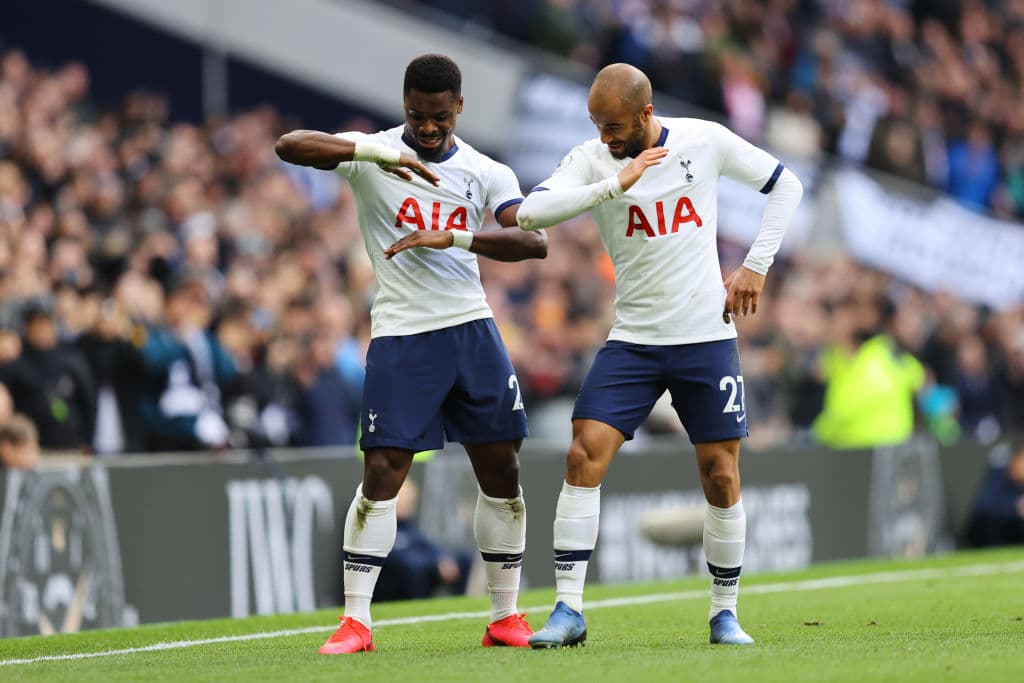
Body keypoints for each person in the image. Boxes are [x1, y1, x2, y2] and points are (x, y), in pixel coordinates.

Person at [516, 63, 803, 647]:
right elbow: (528, 214)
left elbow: (786, 185)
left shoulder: (705, 140)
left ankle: (725, 612)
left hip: (705, 337)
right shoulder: (592, 160)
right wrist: (613, 185)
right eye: (596, 124)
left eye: (614, 125)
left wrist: (756, 265)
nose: (605, 137)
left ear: (647, 114)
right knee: (581, 455)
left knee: (721, 474)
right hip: (635, 341)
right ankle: (568, 610)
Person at [275, 54, 548, 654]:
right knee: (382, 473)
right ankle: (356, 622)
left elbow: (531, 240)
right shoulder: (373, 153)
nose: (427, 128)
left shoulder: (484, 170)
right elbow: (289, 145)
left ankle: (505, 616)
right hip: (402, 334)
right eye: (417, 116)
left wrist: (455, 235)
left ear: (459, 108)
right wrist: (374, 154)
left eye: (439, 117)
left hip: (472, 331)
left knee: (501, 470)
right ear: (405, 105)